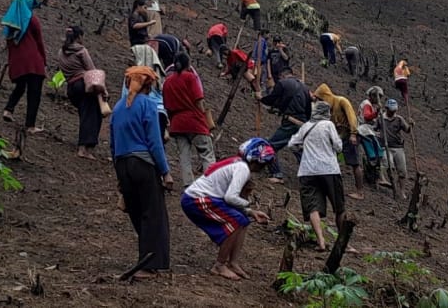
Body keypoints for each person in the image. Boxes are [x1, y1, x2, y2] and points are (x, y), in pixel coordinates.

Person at [111, 66, 173, 280]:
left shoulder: (118, 108)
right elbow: (155, 142)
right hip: (143, 165)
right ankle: (149, 265)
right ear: (149, 85)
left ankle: (146, 259)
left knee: (137, 212)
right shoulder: (149, 105)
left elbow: (113, 144)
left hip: (122, 164)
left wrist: (119, 176)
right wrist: (165, 171)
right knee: (152, 214)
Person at [181, 137, 273, 280]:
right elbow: (230, 197)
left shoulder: (237, 163)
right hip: (197, 199)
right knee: (235, 221)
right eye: (262, 164)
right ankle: (219, 265)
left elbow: (228, 198)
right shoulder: (242, 168)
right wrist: (248, 205)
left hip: (205, 198)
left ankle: (233, 262)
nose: (262, 168)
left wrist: (250, 212)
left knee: (243, 220)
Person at [287, 101, 344, 251]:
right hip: (329, 169)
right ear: (327, 113)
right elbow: (338, 146)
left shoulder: (306, 127)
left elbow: (292, 144)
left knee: (312, 207)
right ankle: (343, 242)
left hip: (307, 171)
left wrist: (303, 151)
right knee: (339, 207)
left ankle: (321, 241)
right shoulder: (328, 125)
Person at [163, 52, 215, 186]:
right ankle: (211, 184)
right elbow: (199, 100)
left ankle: (188, 185)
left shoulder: (167, 81)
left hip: (177, 123)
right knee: (206, 153)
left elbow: (167, 106)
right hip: (195, 121)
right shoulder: (190, 78)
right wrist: (204, 116)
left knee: (184, 155)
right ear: (188, 64)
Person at [55, 26, 104, 160]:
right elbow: (92, 71)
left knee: (84, 114)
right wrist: (102, 89)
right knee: (92, 115)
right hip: (84, 85)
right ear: (78, 37)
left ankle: (84, 145)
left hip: (71, 87)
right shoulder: (81, 51)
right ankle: (84, 148)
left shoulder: (61, 52)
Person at [0, 0, 46, 137]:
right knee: (34, 93)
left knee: (20, 87)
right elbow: (39, 42)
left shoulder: (10, 23)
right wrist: (44, 61)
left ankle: (8, 109)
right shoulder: (32, 20)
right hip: (33, 62)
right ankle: (30, 125)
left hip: (18, 63)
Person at [260, 67, 312, 183]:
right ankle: (310, 178)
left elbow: (272, 98)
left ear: (282, 76)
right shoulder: (305, 88)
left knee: (270, 146)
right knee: (299, 150)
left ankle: (277, 174)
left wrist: (261, 98)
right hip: (302, 123)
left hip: (290, 123)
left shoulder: (283, 83)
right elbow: (308, 110)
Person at [314, 84, 364, 200]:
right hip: (339, 137)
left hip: (350, 135)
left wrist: (353, 133)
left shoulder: (341, 101)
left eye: (321, 99)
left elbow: (352, 118)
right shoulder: (328, 110)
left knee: (354, 163)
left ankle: (360, 192)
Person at [358, 86, 388, 187]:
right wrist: (375, 113)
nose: (377, 98)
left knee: (378, 151)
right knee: (373, 153)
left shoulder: (370, 104)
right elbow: (366, 116)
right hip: (365, 131)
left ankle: (377, 175)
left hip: (369, 130)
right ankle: (375, 174)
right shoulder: (366, 104)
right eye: (376, 96)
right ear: (372, 96)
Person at [381, 99, 412, 199]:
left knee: (402, 171)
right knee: (388, 163)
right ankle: (385, 180)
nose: (393, 112)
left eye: (394, 110)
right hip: (386, 147)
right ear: (386, 108)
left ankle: (402, 191)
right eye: (391, 110)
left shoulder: (399, 119)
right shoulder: (381, 118)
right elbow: (375, 128)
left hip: (398, 147)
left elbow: (407, 130)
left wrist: (411, 125)